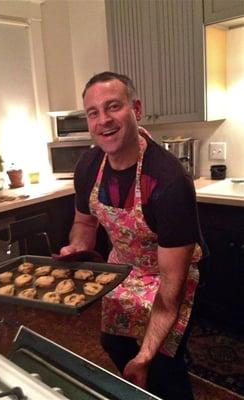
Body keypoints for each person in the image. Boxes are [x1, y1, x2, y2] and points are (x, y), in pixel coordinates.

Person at [60, 71, 204, 400]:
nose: (103, 121)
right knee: (113, 341)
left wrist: (145, 356)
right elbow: (84, 224)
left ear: (136, 109)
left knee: (165, 362)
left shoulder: (168, 181)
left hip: (168, 272)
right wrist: (76, 248)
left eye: (113, 107)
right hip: (122, 266)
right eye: (93, 112)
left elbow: (169, 295)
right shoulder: (88, 166)